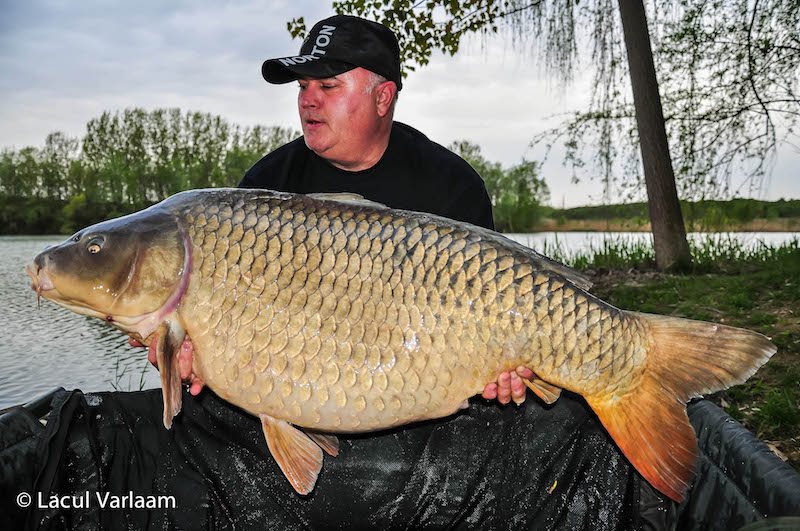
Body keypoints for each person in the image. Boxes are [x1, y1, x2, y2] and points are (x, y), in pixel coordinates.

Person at [132, 14, 531, 405]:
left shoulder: (452, 185)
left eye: (328, 85)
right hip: (304, 391)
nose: (308, 99)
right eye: (303, 85)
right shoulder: (265, 189)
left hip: (425, 393)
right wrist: (193, 359)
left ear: (382, 97)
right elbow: (227, 330)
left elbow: (499, 312)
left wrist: (511, 365)